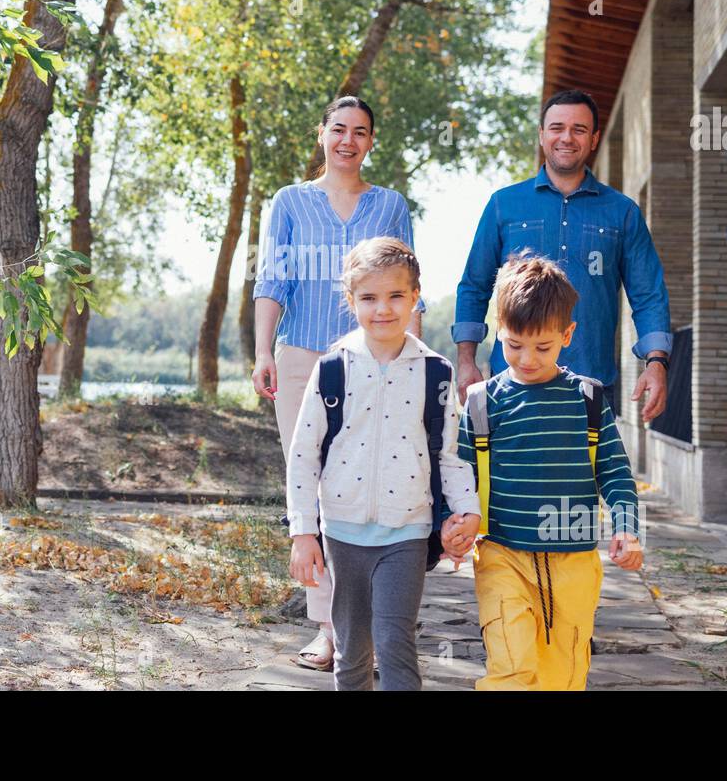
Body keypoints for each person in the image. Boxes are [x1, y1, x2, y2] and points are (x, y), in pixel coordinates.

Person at [252, 96, 425, 671]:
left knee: (373, 482)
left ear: (371, 141)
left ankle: (371, 633)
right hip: (303, 357)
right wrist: (261, 351)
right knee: (318, 488)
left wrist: (417, 358)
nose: (349, 140)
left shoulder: (390, 205)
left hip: (374, 361)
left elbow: (406, 285)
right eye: (339, 129)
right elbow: (272, 279)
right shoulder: (289, 203)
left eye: (361, 132)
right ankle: (329, 629)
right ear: (322, 133)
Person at [286, 237, 480, 691]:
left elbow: (448, 455)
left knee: (395, 644)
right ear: (351, 300)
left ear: (415, 296)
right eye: (369, 298)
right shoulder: (333, 368)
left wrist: (467, 511)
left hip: (407, 533)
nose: (383, 309)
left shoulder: (436, 371)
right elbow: (303, 455)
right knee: (352, 651)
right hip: (342, 532)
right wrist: (302, 533)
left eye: (396, 295)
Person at [443, 253, 643, 691]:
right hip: (502, 555)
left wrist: (627, 530)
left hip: (574, 562)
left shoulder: (588, 400)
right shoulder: (481, 402)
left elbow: (616, 475)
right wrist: (451, 523)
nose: (527, 358)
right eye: (514, 345)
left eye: (543, 346)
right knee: (511, 667)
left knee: (562, 678)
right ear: (499, 332)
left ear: (567, 335)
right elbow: (458, 475)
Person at [452, 88, 671, 416]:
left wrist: (656, 363)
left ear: (594, 139)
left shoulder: (622, 212)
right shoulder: (503, 205)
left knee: (588, 471)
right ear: (542, 135)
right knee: (509, 470)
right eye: (556, 128)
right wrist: (466, 360)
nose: (566, 137)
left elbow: (648, 295)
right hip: (511, 386)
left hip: (591, 388)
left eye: (579, 129)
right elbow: (474, 285)